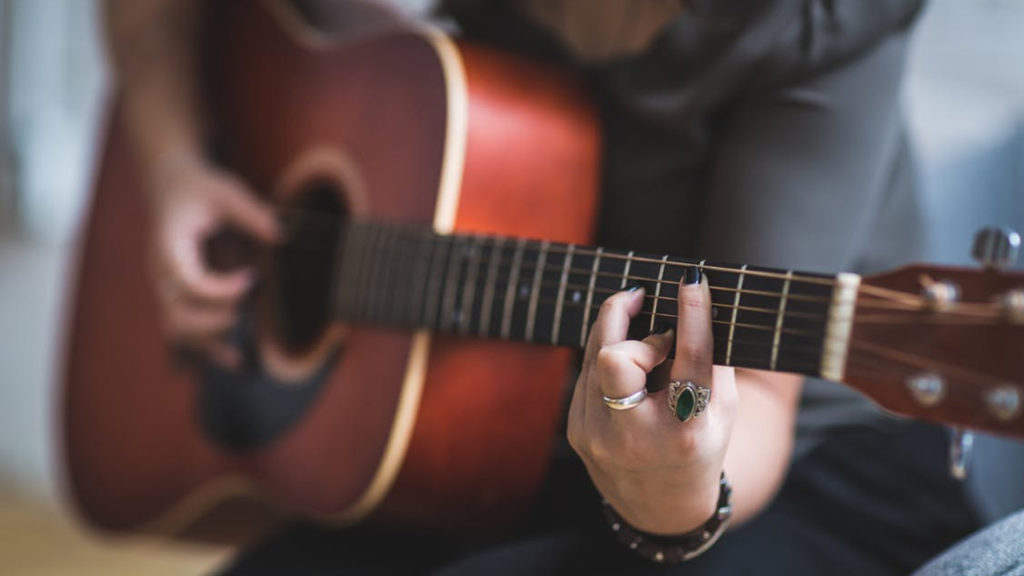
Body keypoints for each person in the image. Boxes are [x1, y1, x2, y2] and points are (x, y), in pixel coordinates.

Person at [104, 0, 989, 573]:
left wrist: (674, 497)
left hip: (797, 470)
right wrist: (175, 156)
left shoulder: (817, 19)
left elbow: (753, 398)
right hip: (500, 431)